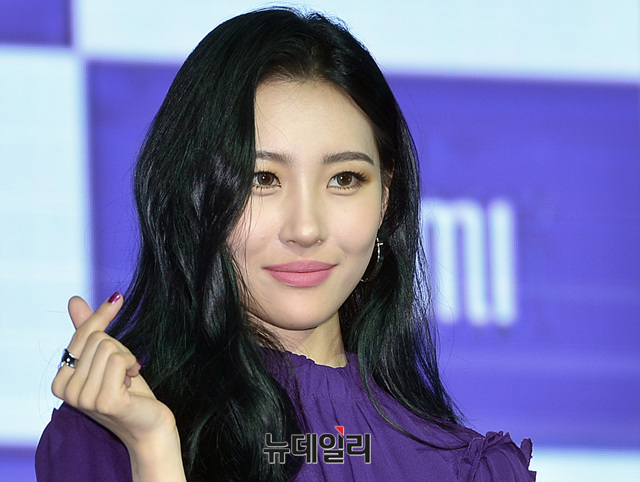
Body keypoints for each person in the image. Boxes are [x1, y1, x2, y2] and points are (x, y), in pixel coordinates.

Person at [36, 7, 535, 481]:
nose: (306, 228)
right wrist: (153, 450)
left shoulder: (465, 470)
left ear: (386, 197)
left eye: (344, 179)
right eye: (263, 179)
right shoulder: (107, 438)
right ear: (194, 197)